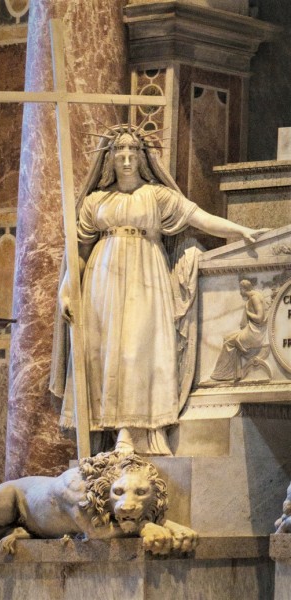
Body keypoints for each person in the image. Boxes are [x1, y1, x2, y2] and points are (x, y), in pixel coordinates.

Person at [50, 125, 267, 455]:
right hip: (102, 278)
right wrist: (68, 288)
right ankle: (115, 430)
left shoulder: (156, 195)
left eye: (132, 152)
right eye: (119, 152)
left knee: (137, 349)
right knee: (106, 352)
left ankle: (137, 429)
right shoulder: (96, 201)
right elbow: (78, 250)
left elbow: (200, 217)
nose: (125, 159)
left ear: (142, 157)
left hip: (145, 274)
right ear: (109, 158)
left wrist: (241, 230)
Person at [209, 279, 268, 383]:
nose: (239, 292)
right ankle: (233, 373)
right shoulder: (252, 298)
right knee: (227, 338)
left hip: (256, 333)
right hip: (252, 330)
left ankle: (224, 373)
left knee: (229, 341)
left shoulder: (254, 298)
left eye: (240, 289)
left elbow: (259, 318)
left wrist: (248, 312)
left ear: (243, 289)